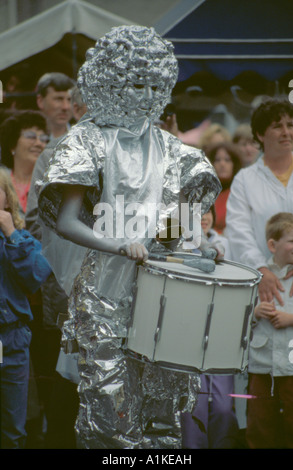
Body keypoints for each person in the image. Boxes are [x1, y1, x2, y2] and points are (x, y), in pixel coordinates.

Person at [36, 25, 221, 449]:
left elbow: (185, 216)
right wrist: (119, 244)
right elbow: (66, 222)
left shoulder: (176, 151)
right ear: (111, 81)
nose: (145, 94)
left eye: (154, 84)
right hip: (103, 291)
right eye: (136, 82)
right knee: (109, 410)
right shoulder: (87, 140)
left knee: (163, 415)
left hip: (162, 293)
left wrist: (172, 245)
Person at [25, 86, 88, 448]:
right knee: (66, 390)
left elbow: (176, 217)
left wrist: (171, 242)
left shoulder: (157, 153)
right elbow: (36, 220)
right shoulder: (56, 155)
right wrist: (72, 268)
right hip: (69, 292)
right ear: (79, 108)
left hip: (136, 291)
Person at [0, 167, 51, 449]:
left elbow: (36, 276)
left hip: (13, 338)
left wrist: (11, 234)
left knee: (12, 428)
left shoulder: (20, 237)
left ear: (7, 199)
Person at [226, 98, 293, 306]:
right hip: (262, 289)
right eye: (277, 126)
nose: (286, 132)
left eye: (290, 125)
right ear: (260, 134)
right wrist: (261, 270)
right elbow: (239, 231)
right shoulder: (245, 180)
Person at [181, 206, 238, 449]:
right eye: (195, 212)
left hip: (221, 332)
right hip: (184, 331)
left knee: (224, 407)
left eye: (208, 211)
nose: (202, 217)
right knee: (193, 405)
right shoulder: (172, 238)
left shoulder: (227, 244)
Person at [246, 212, 293, 448]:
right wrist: (255, 314)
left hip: (292, 367)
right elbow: (238, 319)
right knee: (260, 425)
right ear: (273, 245)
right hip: (261, 367)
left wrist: (290, 319)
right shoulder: (257, 277)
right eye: (292, 241)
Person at [0, 110, 49, 213]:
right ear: (12, 144)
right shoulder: (1, 181)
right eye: (31, 137)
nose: (39, 143)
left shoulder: (50, 184)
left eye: (43, 138)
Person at [207, 142, 242, 234]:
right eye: (217, 160)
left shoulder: (240, 193)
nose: (222, 164)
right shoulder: (201, 193)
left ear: (234, 164)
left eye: (227, 160)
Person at [36, 72, 74, 140]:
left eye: (69, 100)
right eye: (59, 99)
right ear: (40, 101)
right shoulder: (30, 140)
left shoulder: (82, 138)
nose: (65, 107)